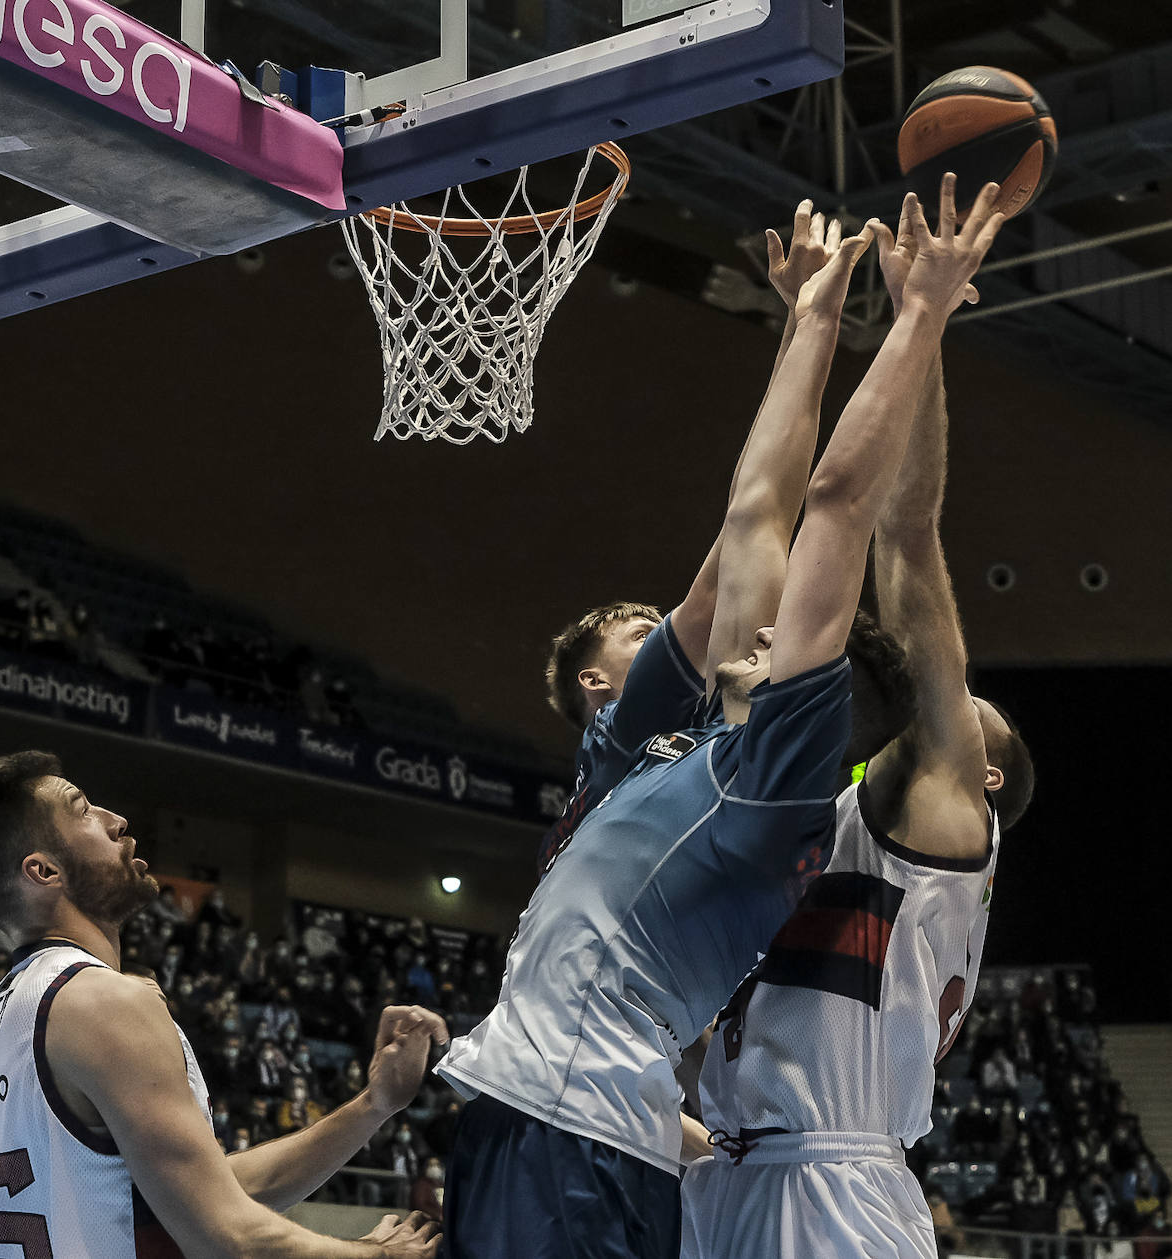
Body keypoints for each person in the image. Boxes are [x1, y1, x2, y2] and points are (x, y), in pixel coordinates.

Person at [437, 207, 921, 1259]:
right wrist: (810, 317)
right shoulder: (666, 748)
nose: (756, 631)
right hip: (539, 1109)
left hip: (578, 1122)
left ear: (819, 706)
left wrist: (917, 314)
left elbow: (835, 505)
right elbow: (755, 512)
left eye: (788, 640)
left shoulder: (773, 791)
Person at [683, 178, 1033, 1259]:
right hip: (729, 1167)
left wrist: (922, 324)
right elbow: (765, 529)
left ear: (982, 785)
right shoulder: (806, 802)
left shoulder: (940, 826)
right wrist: (844, 325)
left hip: (834, 1184)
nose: (956, 704)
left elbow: (905, 533)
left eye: (974, 720)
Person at [0, 750, 442, 1258]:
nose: (116, 821)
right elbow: (224, 1236)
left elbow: (194, 1192)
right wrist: (380, 1255)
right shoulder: (98, 1000)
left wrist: (374, 1105)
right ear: (44, 870)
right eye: (83, 809)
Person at [538, 202, 852, 876]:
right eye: (641, 635)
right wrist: (807, 319)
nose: (666, 634)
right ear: (596, 682)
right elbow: (753, 517)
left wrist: (803, 321)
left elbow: (751, 514)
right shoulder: (622, 733)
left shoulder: (637, 761)